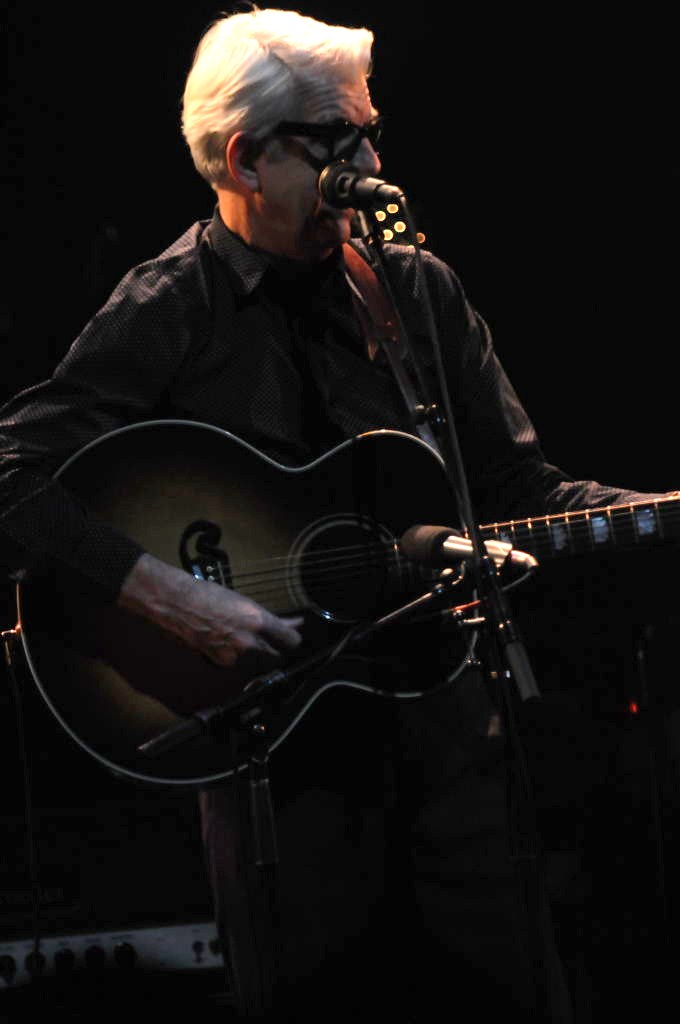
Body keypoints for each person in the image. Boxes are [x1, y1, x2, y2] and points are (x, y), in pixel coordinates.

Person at [0, 8, 668, 1021]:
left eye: (372, 133)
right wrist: (175, 599)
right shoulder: (170, 306)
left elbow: (518, 494)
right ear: (245, 159)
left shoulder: (412, 290)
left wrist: (657, 511)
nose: (371, 165)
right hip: (276, 765)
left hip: (451, 748)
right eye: (337, 142)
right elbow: (13, 473)